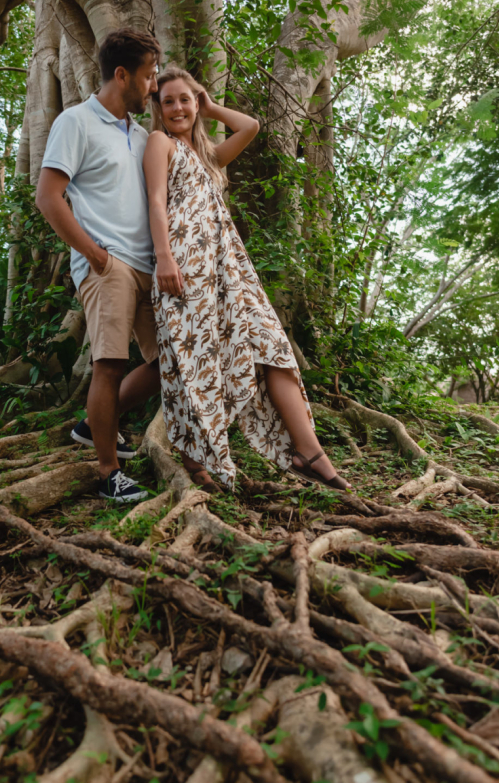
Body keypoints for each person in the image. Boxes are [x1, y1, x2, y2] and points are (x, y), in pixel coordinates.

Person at [143, 65, 350, 493]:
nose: (179, 107)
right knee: (192, 362)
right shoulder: (159, 143)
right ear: (158, 110)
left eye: (186, 99)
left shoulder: (207, 155)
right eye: (169, 101)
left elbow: (251, 126)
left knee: (273, 346)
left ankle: (308, 451)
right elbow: (157, 203)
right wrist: (164, 258)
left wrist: (210, 105)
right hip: (183, 266)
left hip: (228, 269)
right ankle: (193, 459)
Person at [36, 28, 163, 503]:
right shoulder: (77, 122)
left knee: (168, 360)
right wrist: (94, 256)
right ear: (122, 74)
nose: (153, 87)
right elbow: (48, 198)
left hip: (149, 268)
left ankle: (94, 426)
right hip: (107, 264)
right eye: (148, 77)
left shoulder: (144, 135)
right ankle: (109, 472)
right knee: (109, 364)